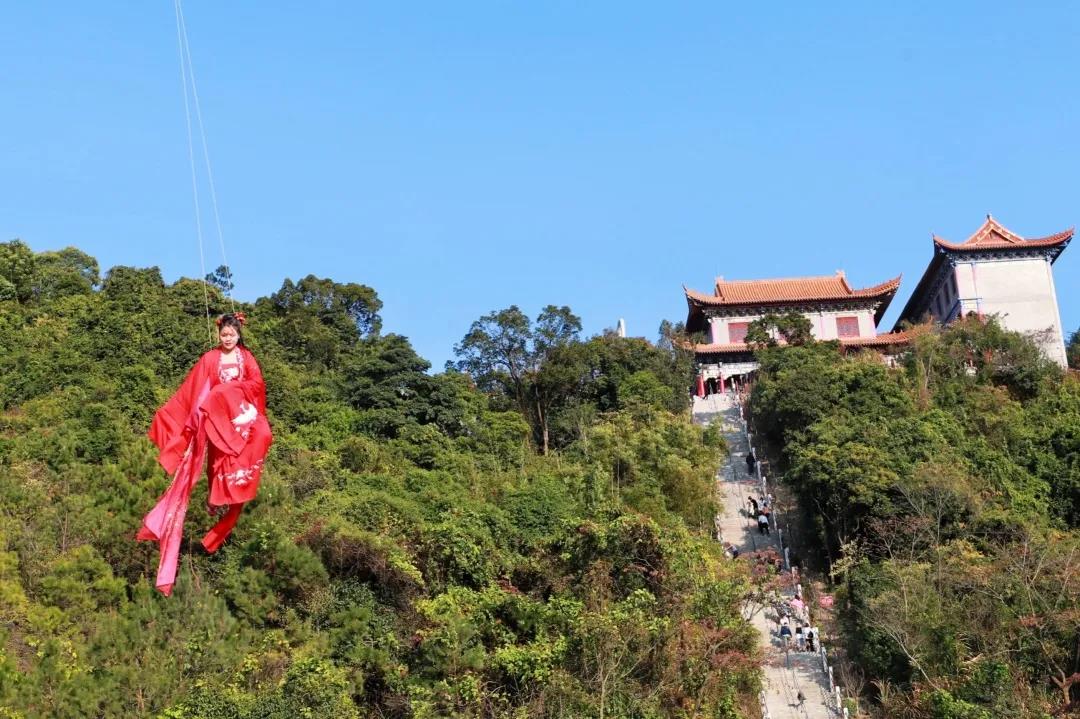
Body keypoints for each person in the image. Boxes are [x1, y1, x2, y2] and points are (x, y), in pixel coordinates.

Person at [137, 312, 273, 596]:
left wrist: (231, 390)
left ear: (238, 335)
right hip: (218, 415)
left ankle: (235, 491)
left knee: (262, 435)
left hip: (240, 411)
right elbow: (191, 389)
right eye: (224, 334)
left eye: (231, 335)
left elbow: (257, 385)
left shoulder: (246, 357)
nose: (227, 338)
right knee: (220, 455)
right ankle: (216, 497)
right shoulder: (210, 359)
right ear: (218, 335)